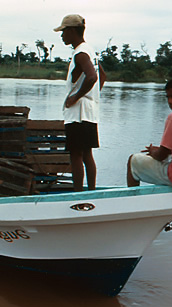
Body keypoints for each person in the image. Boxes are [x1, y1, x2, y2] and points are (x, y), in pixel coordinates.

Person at [54, 14, 106, 192]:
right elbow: (102, 77)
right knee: (87, 154)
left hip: (79, 112)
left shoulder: (80, 53)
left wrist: (76, 97)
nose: (62, 36)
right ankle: (91, 191)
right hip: (90, 111)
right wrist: (92, 95)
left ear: (71, 31)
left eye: (63, 32)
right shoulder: (90, 50)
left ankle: (77, 194)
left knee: (76, 154)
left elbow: (92, 77)